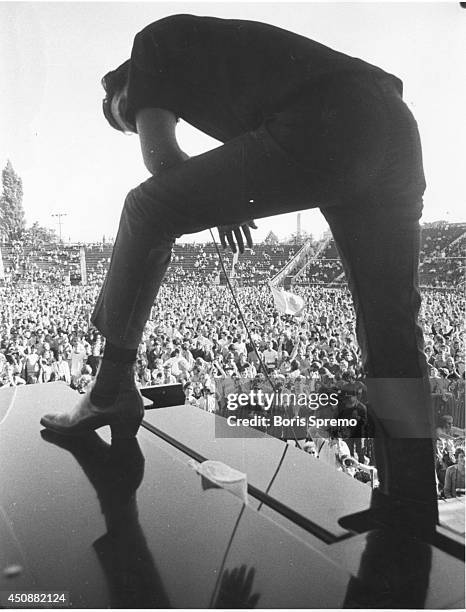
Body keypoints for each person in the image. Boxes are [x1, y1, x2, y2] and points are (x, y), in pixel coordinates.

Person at [40, 14, 437, 533]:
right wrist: (219, 198)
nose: (134, 123)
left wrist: (214, 200)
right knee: (391, 330)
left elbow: (162, 159)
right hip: (394, 126)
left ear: (123, 88)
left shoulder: (149, 49)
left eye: (124, 118)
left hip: (331, 121)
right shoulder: (205, 56)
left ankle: (111, 386)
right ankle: (410, 499)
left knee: (145, 209)